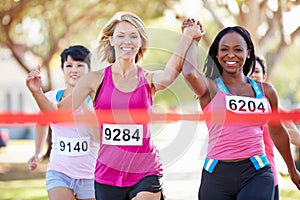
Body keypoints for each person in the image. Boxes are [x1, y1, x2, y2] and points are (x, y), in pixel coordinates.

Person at [26, 12, 202, 200]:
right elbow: (57, 114)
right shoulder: (93, 80)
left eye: (134, 36)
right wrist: (36, 91)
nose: (127, 41)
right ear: (111, 40)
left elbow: (169, 74)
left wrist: (187, 36)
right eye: (121, 35)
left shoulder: (148, 79)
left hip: (145, 169)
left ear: (141, 41)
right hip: (107, 175)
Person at [181, 19, 300, 200]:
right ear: (217, 54)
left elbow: (277, 131)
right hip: (216, 173)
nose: (231, 55)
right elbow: (189, 73)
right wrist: (192, 40)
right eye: (224, 49)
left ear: (248, 53)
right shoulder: (210, 88)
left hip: (257, 171)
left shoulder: (265, 91)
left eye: (238, 49)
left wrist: (292, 171)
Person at [26, 45, 99, 200]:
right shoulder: (51, 98)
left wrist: (82, 97)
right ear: (62, 70)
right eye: (69, 65)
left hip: (90, 175)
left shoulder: (96, 101)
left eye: (80, 65)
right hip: (59, 172)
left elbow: (99, 137)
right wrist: (38, 153)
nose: (75, 70)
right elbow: (42, 122)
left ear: (89, 70)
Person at [249, 55, 300, 200]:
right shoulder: (233, 105)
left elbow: (295, 136)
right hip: (238, 178)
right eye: (249, 71)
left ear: (264, 76)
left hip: (267, 177)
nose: (253, 75)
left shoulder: (272, 105)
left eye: (257, 71)